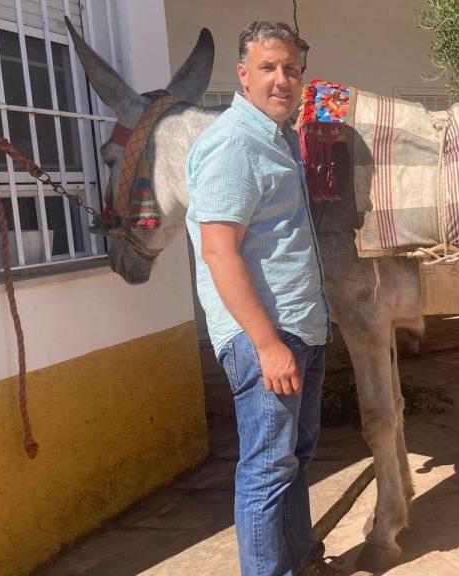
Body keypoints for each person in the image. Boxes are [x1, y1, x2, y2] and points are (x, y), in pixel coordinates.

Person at [185, 20, 337, 576]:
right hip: (265, 338)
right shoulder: (234, 143)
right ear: (242, 75)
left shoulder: (277, 139)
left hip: (301, 328)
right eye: (268, 68)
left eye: (291, 69)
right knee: (267, 472)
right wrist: (268, 344)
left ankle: (304, 562)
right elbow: (220, 252)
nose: (282, 80)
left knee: (294, 463)